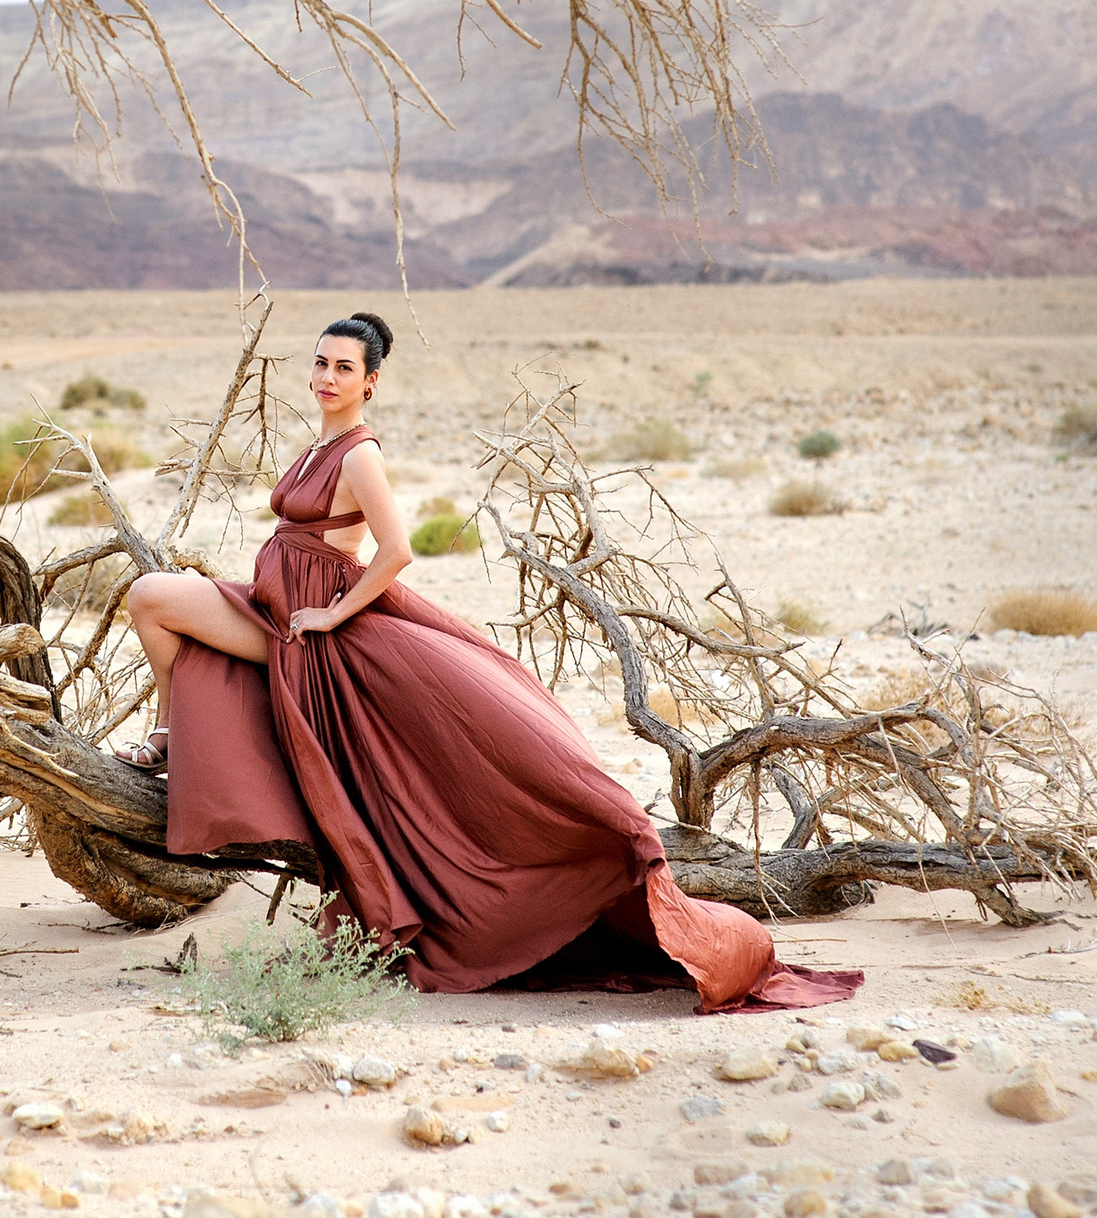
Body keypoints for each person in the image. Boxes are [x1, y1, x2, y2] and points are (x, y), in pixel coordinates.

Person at [114, 313, 859, 1013]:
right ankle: (173, 728)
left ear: (371, 381)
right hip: (275, 609)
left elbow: (396, 550)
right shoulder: (313, 444)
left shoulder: (360, 452)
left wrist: (335, 613)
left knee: (156, 595)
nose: (327, 376)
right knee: (152, 597)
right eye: (320, 362)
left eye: (344, 367)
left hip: (313, 631)